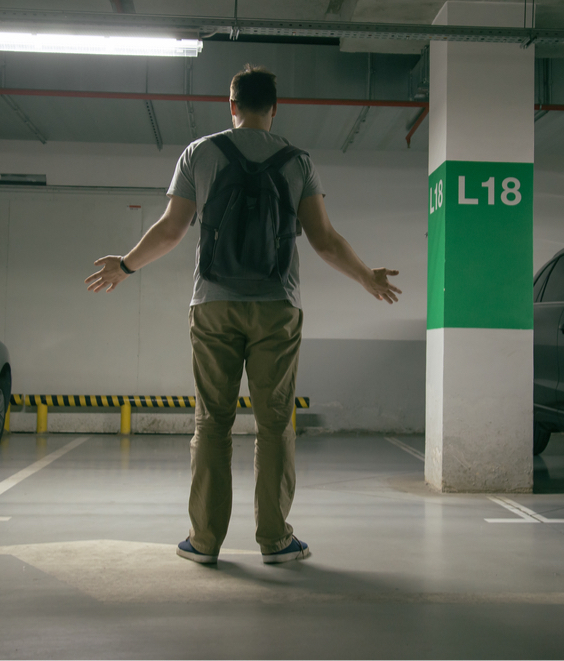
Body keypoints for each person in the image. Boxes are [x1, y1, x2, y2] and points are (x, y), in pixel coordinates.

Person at [85, 64, 401, 565]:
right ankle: (275, 540)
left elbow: (171, 229)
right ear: (274, 109)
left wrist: (125, 266)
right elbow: (324, 240)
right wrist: (367, 277)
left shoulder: (199, 153)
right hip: (278, 307)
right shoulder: (299, 161)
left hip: (212, 305)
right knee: (275, 423)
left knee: (212, 422)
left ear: (231, 106)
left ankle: (204, 541)